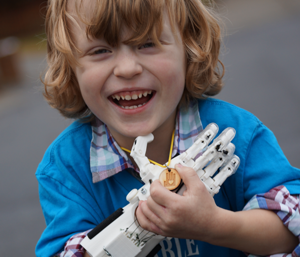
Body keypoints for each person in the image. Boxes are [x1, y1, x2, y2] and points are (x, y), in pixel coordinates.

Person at [36, 0, 300, 256]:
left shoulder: (237, 133)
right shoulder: (64, 169)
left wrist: (214, 225)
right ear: (69, 66)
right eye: (100, 51)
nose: (127, 69)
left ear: (189, 46)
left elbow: (290, 228)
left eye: (147, 44)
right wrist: (135, 227)